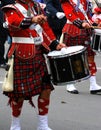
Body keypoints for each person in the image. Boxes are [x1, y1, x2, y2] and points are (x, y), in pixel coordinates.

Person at [2, 0, 66, 130]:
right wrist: (32, 20)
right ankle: (15, 125)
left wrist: (55, 44)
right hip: (21, 54)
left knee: (46, 89)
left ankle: (42, 125)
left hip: (38, 54)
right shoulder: (10, 8)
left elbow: (45, 29)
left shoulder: (36, 6)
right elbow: (13, 24)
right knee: (18, 94)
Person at [60, 0, 101, 94]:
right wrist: (81, 24)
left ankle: (93, 84)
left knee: (90, 56)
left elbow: (87, 15)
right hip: (73, 31)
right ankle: (70, 84)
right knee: (72, 58)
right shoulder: (67, 1)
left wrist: (93, 23)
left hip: (85, 31)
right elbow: (70, 15)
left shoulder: (84, 1)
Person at [0, 0, 15, 68]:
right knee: (1, 41)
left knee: (14, 39)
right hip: (3, 21)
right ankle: (1, 61)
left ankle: (7, 58)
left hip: (9, 19)